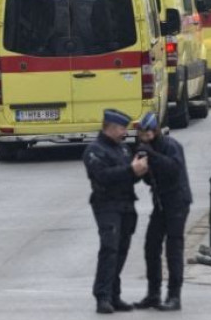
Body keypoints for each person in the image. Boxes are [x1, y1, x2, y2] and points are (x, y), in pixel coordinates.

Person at [82, 109, 149, 314]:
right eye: (121, 129)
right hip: (106, 205)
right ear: (110, 128)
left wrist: (139, 171)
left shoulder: (123, 149)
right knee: (109, 249)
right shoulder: (95, 151)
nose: (125, 133)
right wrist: (130, 170)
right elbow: (103, 176)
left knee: (121, 250)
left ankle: (114, 295)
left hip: (126, 204)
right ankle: (102, 296)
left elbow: (129, 176)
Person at [133, 112, 192, 312]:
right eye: (142, 133)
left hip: (177, 202)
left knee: (173, 248)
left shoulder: (170, 145)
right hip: (160, 203)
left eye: (148, 132)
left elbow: (174, 169)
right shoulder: (145, 148)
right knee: (151, 246)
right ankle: (153, 293)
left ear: (155, 130)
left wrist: (152, 156)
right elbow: (150, 179)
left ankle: (174, 296)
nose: (145, 136)